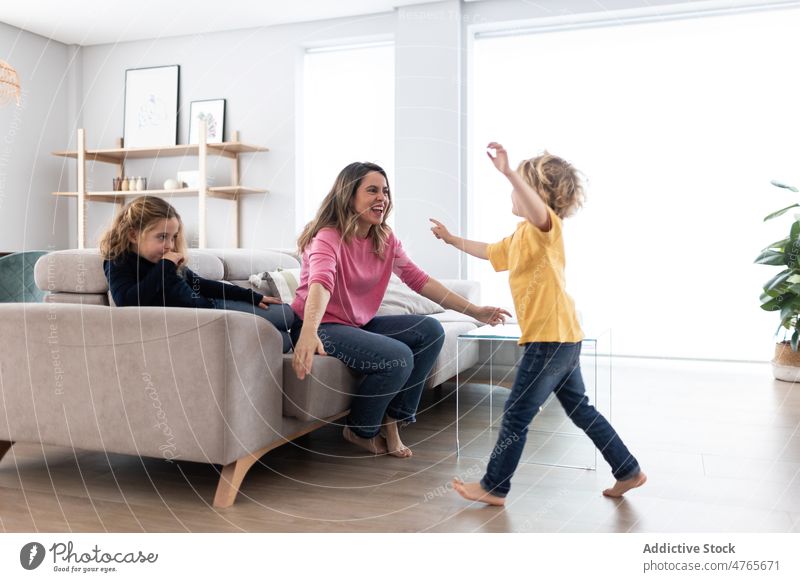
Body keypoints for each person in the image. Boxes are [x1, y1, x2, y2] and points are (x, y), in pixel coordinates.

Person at [430, 142, 646, 505]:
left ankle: (494, 486)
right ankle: (627, 470)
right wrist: (452, 240)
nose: (513, 194)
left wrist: (510, 172)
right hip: (561, 338)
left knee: (516, 414)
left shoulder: (548, 228)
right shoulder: (521, 236)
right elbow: (489, 251)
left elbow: (538, 211)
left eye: (520, 189)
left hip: (550, 340)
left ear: (537, 195)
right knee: (580, 409)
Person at [291, 161, 511, 458]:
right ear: (348, 195)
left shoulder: (384, 238)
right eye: (372, 190)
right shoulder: (329, 236)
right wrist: (308, 331)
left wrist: (475, 311)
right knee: (398, 357)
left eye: (385, 191)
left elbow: (419, 280)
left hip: (357, 324)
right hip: (323, 327)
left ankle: (392, 420)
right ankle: (360, 430)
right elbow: (321, 282)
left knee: (430, 331)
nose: (382, 198)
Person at [100, 196, 294, 352]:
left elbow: (201, 284)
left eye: (173, 237)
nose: (169, 245)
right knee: (284, 340)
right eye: (161, 237)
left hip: (214, 306)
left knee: (287, 313)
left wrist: (251, 296)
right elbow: (127, 302)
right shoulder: (118, 262)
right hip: (208, 320)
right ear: (133, 235)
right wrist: (165, 266)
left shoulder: (163, 261)